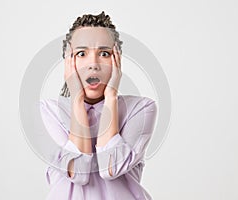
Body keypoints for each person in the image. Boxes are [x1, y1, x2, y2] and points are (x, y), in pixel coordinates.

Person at [40, 11, 157, 200]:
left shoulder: (141, 109)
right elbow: (78, 172)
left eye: (104, 53)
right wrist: (77, 99)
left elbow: (110, 168)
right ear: (69, 61)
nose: (93, 64)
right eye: (81, 53)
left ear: (117, 59)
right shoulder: (49, 112)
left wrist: (111, 96)